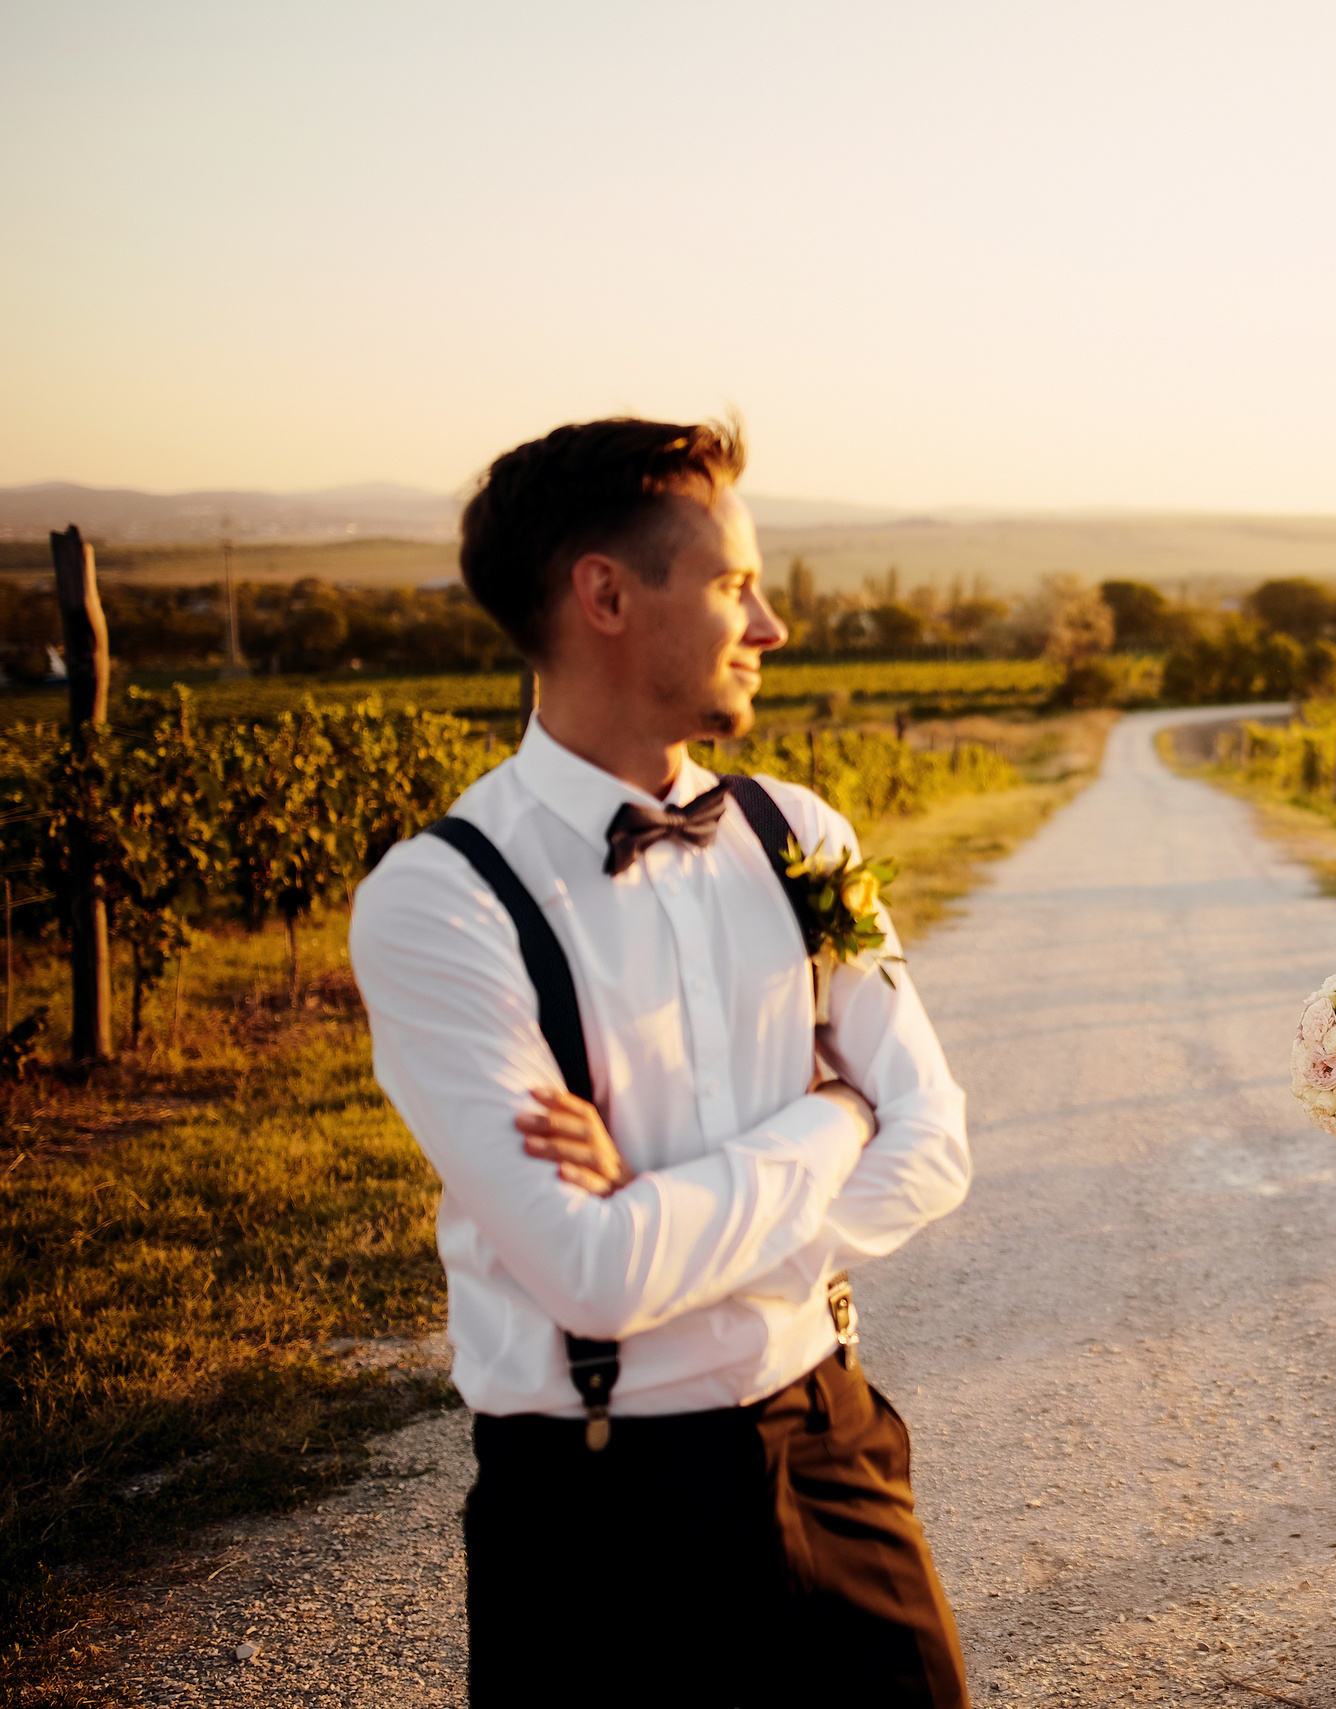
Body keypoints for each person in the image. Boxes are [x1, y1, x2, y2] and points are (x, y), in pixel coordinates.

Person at [348, 418, 971, 1707]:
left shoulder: (797, 833)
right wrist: (834, 1118)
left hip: (831, 1445)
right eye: (738, 582)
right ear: (607, 594)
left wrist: (659, 1210)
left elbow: (939, 1146)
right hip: (594, 1516)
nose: (773, 625)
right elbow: (592, 1266)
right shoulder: (439, 899)